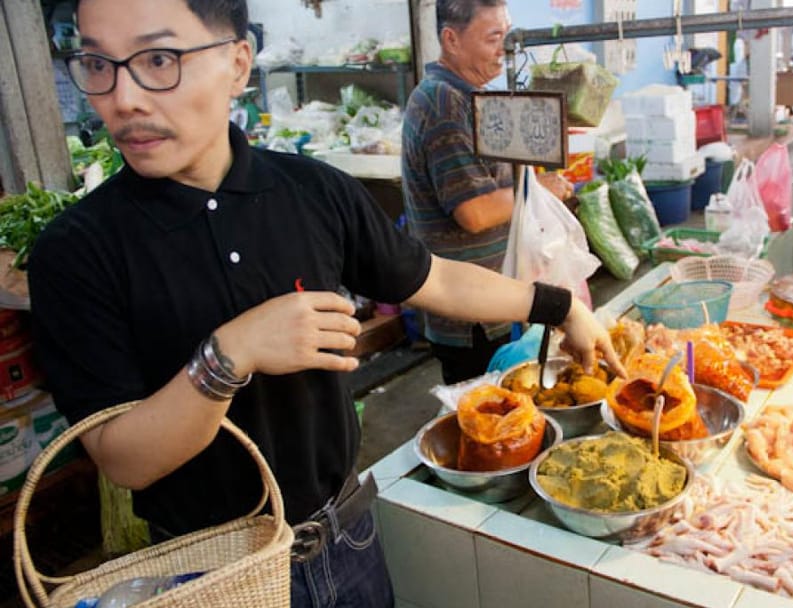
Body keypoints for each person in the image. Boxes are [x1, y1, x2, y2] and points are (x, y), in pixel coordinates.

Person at [28, 1, 624, 607]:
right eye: (98, 63)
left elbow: (435, 280)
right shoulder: (77, 252)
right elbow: (124, 459)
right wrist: (230, 353)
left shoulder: (311, 191)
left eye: (158, 59)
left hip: (345, 536)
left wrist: (561, 307)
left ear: (237, 64)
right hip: (210, 575)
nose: (123, 98)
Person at [401, 0, 574, 385]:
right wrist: (537, 190)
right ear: (451, 39)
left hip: (493, 299)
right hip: (470, 314)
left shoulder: (467, 95)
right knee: (488, 417)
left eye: (508, 36)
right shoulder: (444, 103)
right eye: (494, 38)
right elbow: (474, 212)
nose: (505, 49)